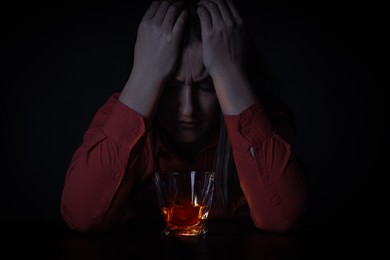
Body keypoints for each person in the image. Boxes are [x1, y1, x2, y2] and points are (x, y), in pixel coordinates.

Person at [60, 0, 309, 234]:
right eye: (169, 87)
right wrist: (144, 76)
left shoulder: (261, 118)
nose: (188, 109)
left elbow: (282, 218)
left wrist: (229, 71)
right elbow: (82, 216)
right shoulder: (121, 114)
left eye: (207, 86)